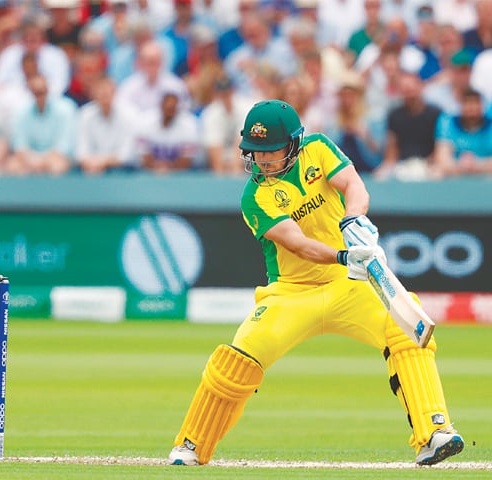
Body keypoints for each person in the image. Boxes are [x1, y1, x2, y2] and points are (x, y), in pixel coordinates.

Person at [168, 100, 464, 468]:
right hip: (291, 294)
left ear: (293, 143)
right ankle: (192, 445)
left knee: (405, 324)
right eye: (255, 153)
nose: (262, 161)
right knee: (237, 359)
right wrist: (344, 255)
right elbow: (298, 243)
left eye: (270, 151)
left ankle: (434, 432)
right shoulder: (254, 196)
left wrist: (354, 219)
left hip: (349, 284)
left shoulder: (319, 149)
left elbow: (354, 185)